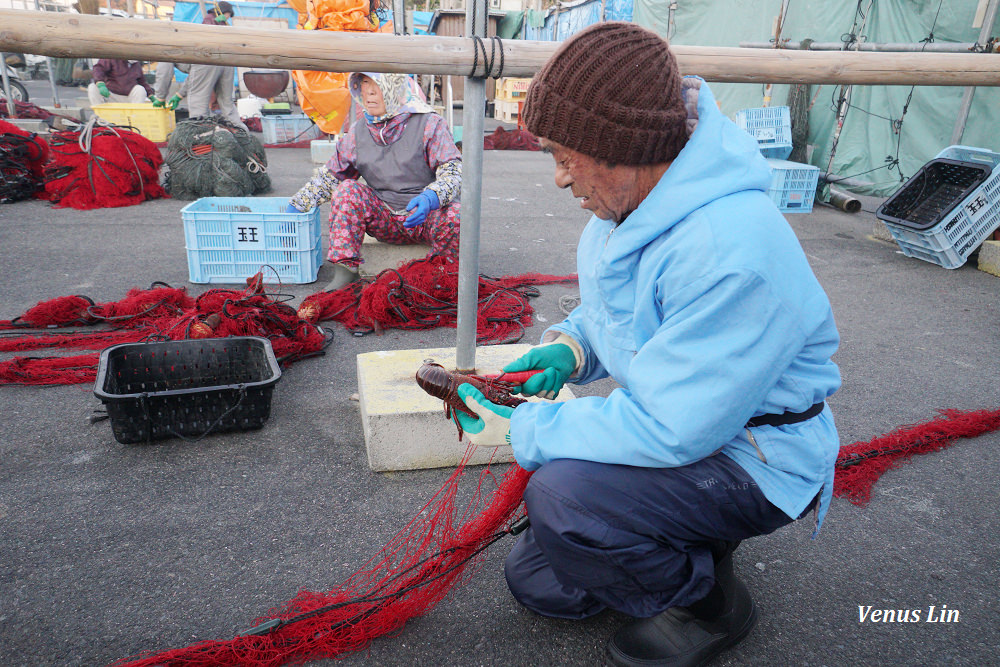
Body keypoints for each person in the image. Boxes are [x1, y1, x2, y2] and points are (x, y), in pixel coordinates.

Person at [452, 22, 841, 667]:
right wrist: (572, 349)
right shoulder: (627, 207)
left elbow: (667, 427)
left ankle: (709, 604)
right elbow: (620, 315)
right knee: (544, 585)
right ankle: (687, 541)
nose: (557, 178)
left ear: (620, 144)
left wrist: (526, 423)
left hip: (756, 452)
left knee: (561, 498)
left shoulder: (730, 251)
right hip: (696, 423)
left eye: (562, 153)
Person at [286, 72, 462, 291]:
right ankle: (346, 273)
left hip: (424, 217)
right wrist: (296, 205)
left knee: (456, 214)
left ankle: (443, 272)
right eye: (364, 84)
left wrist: (431, 197)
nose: (368, 92)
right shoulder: (358, 132)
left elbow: (453, 172)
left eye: (377, 84)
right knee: (347, 191)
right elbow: (331, 177)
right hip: (384, 218)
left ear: (394, 87)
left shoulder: (430, 123)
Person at [158, 1, 247, 131]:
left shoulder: (166, 49)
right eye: (228, 14)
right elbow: (195, 75)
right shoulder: (219, 23)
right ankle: (242, 132)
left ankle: (203, 137)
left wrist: (160, 97)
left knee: (197, 104)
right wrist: (179, 95)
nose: (228, 17)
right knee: (227, 103)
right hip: (227, 62)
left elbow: (167, 71)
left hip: (207, 59)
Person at [87, 58, 154, 106]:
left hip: (128, 99)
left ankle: (134, 118)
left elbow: (142, 82)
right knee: (92, 87)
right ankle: (100, 117)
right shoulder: (113, 58)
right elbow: (99, 68)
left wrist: (151, 96)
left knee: (140, 89)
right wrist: (100, 83)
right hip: (110, 95)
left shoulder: (136, 64)